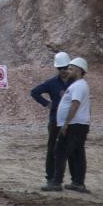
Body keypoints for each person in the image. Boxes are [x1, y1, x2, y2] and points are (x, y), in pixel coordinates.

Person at [43, 57, 91, 194]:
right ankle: (78, 183)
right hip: (78, 125)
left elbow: (75, 104)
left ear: (79, 70)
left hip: (74, 125)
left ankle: (56, 182)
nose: (68, 71)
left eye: (71, 68)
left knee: (60, 151)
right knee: (77, 153)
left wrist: (66, 123)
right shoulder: (79, 85)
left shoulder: (79, 86)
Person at [30, 52, 71, 187]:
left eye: (65, 68)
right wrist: (47, 104)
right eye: (60, 68)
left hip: (70, 122)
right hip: (55, 121)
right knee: (52, 149)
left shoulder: (75, 83)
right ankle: (50, 178)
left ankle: (61, 178)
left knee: (66, 151)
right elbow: (34, 92)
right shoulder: (52, 83)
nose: (63, 71)